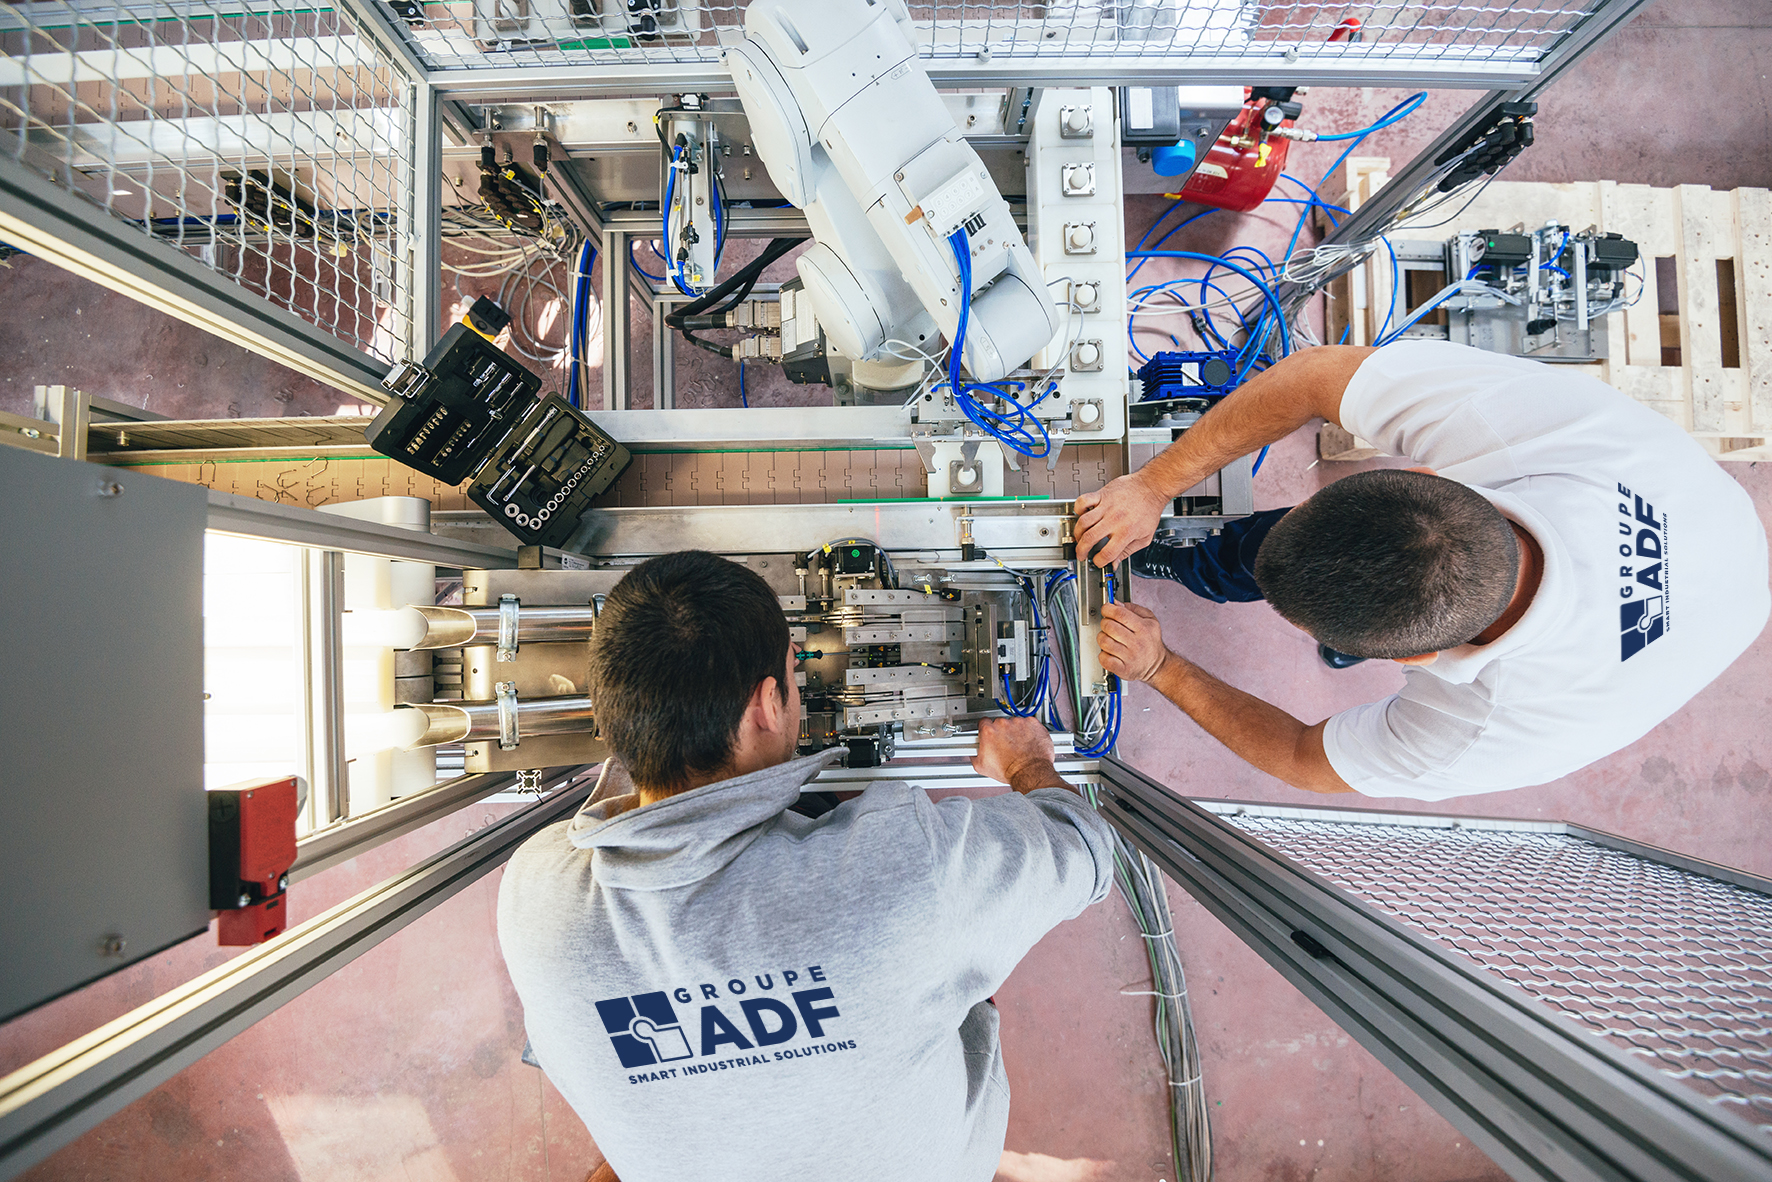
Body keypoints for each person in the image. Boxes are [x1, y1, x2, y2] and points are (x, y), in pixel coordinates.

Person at [497, 550, 1115, 1182]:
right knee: (948, 946)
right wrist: (1027, 764)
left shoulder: (535, 897)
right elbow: (1085, 847)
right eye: (795, 673)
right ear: (769, 702)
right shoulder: (901, 871)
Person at [1075, 341, 1769, 801]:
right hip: (1713, 514)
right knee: (1251, 556)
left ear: (1422, 659)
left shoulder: (1486, 727)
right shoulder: (1552, 436)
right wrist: (1153, 487)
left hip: (1714, 620)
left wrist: (1162, 667)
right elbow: (1317, 375)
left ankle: (1235, 572)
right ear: (1426, 475)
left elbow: (1300, 756)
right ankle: (1216, 560)